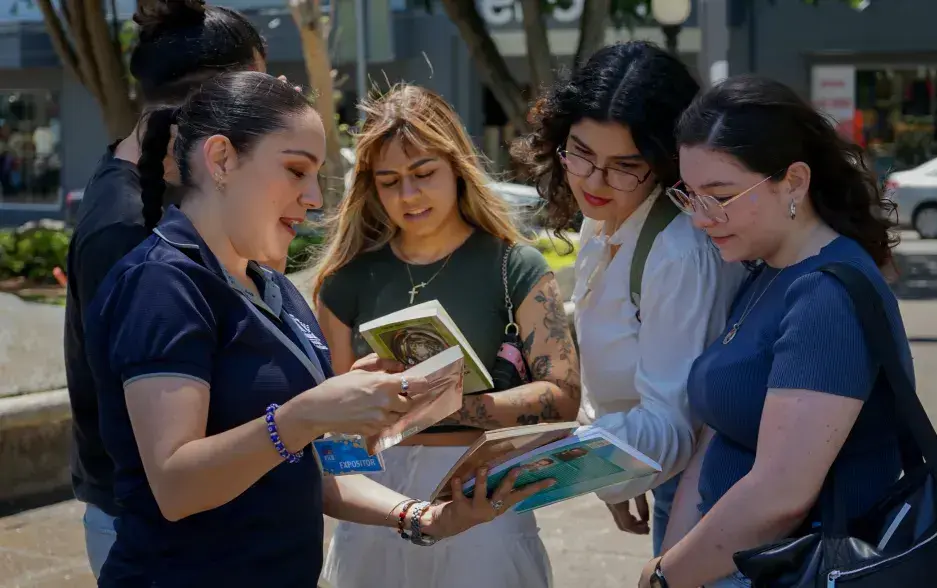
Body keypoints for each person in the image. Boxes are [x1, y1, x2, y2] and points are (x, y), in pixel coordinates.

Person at [82, 71, 552, 587]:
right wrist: (307, 413)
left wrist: (422, 516)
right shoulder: (162, 282)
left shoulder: (274, 290)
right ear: (221, 160)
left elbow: (316, 469)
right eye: (295, 171)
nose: (313, 198)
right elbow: (176, 486)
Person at [638, 75, 911, 588]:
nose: (701, 218)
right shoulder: (767, 269)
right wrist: (672, 562)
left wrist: (663, 578)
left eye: (719, 196)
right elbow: (717, 434)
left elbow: (780, 497)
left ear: (795, 181)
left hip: (794, 570)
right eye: (690, 196)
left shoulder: (825, 297)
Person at [313, 84, 581, 588]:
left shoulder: (515, 265)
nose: (408, 195)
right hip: (379, 508)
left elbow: (562, 398)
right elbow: (334, 436)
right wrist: (357, 418)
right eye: (389, 181)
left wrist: (431, 404)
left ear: (457, 166)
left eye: (423, 174)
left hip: (481, 498)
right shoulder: (343, 281)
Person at [511, 40, 748, 557]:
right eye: (581, 153)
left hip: (706, 496)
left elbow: (674, 424)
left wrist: (573, 464)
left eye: (625, 164)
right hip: (659, 474)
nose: (594, 182)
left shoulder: (679, 252)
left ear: (667, 163)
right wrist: (612, 474)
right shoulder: (605, 216)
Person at [62, 1, 269, 576]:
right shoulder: (125, 227)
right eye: (260, 95)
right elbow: (156, 432)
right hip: (153, 527)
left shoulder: (162, 192)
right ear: (216, 99)